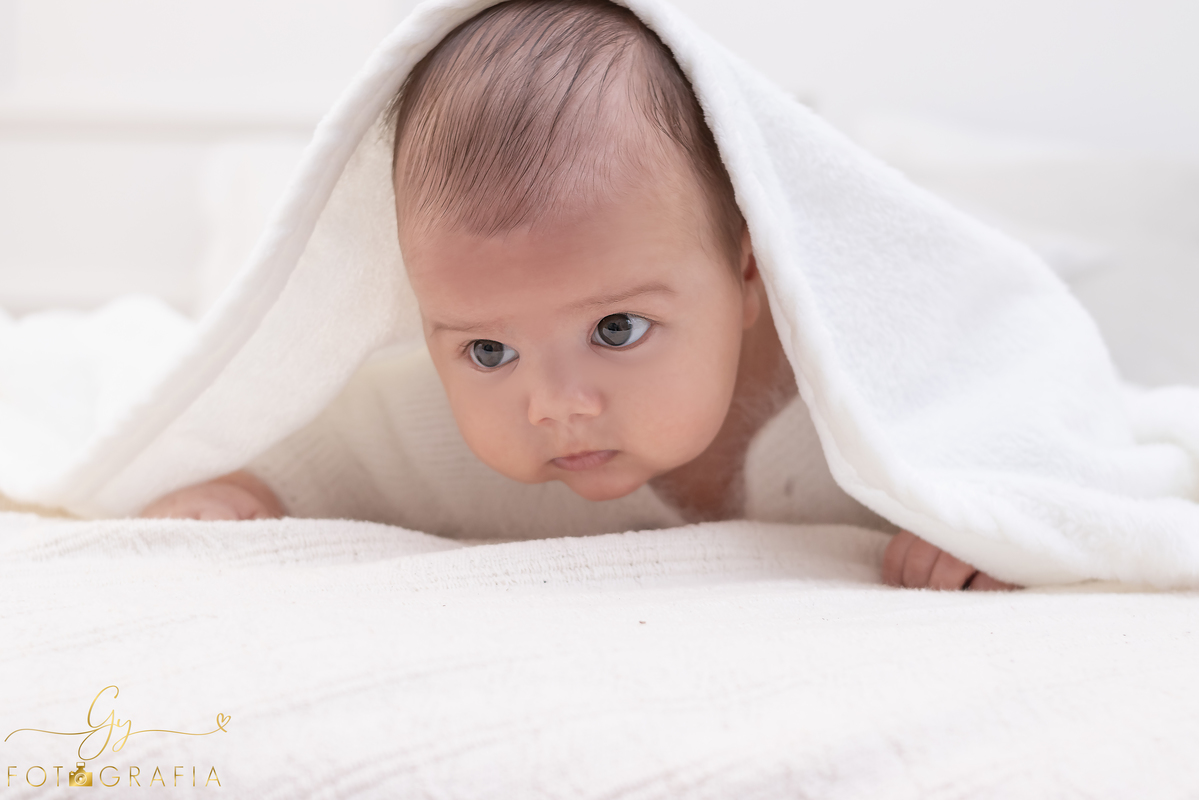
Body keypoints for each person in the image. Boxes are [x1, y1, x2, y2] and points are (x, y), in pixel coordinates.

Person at [139, 0, 1013, 591]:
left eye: (618, 328)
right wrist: (244, 485)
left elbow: (1011, 394)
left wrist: (980, 512)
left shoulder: (858, 400)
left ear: (747, 272)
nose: (556, 405)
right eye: (488, 351)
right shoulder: (441, 424)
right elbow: (329, 445)